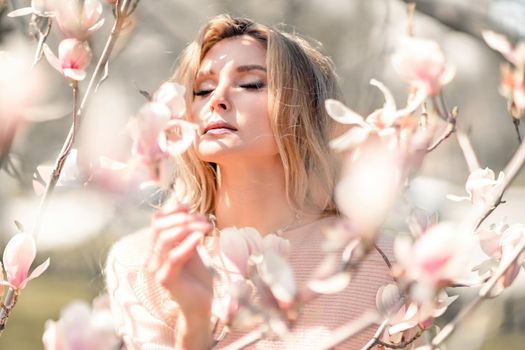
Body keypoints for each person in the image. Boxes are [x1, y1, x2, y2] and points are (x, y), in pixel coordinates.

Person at [105, 15, 393, 349]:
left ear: (304, 109)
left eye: (252, 84)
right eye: (203, 89)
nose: (218, 99)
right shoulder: (144, 262)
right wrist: (194, 325)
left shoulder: (382, 263)